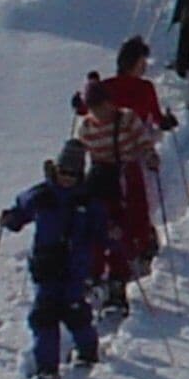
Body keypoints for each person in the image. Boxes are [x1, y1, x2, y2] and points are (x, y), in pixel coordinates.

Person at [73, 38, 175, 309]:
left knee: (128, 219)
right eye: (95, 110)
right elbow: (81, 151)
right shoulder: (87, 128)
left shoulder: (126, 117)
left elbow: (142, 140)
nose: (101, 113)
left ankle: (121, 269)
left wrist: (150, 155)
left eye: (102, 108)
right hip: (102, 176)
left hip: (127, 172)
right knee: (102, 223)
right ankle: (98, 272)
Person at [0, 145, 115, 378]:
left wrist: (114, 238)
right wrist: (11, 219)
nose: (67, 178)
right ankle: (47, 366)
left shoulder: (87, 201)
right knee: (44, 314)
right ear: (56, 169)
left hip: (75, 267)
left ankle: (88, 351)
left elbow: (101, 230)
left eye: (73, 174)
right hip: (46, 265)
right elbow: (22, 210)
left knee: (74, 310)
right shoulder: (42, 195)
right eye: (64, 172)